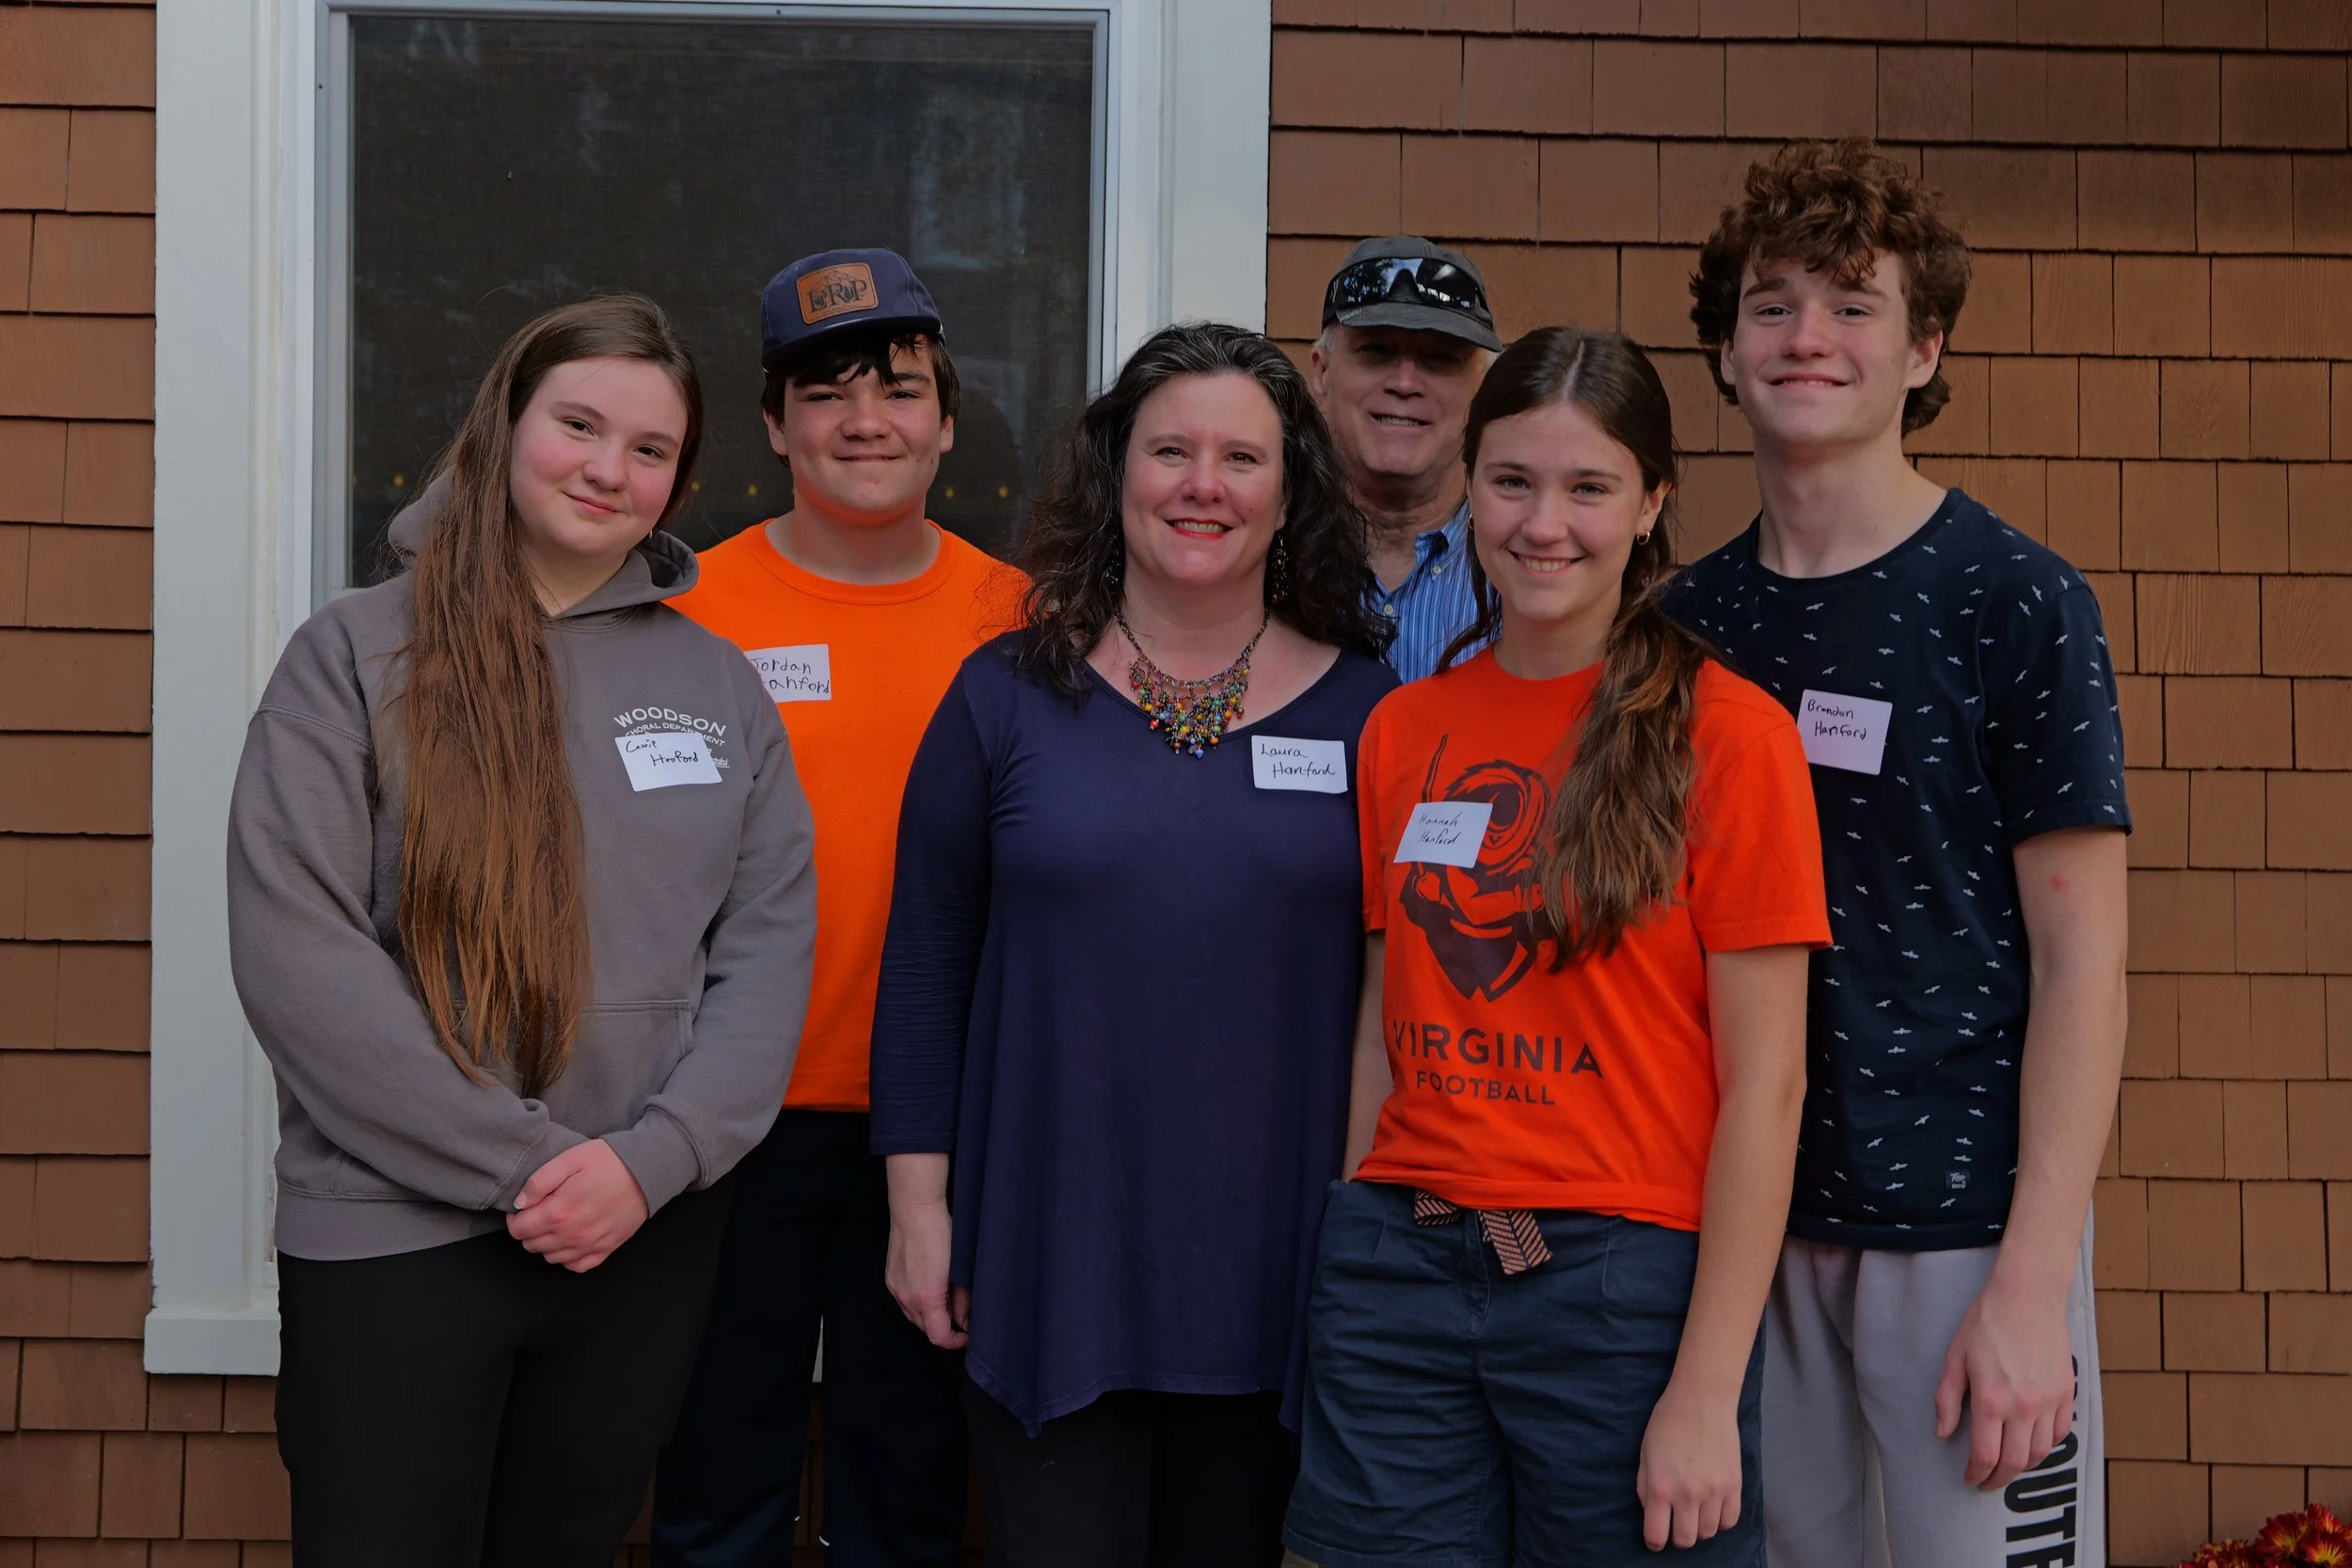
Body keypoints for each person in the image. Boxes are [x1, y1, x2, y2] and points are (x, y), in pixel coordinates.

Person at [227, 294, 818, 1567]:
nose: (610, 468)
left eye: (650, 449)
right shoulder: (353, 655)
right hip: (395, 1228)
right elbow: (301, 954)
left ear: (680, 478)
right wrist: (526, 1168)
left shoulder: (721, 687)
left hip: (636, 1239)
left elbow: (766, 956)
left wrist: (648, 1164)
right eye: (580, 424)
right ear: (505, 423)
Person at [1280, 326, 1829, 1568]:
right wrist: (1352, 1214)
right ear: (1468, 484)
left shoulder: (1731, 737)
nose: (1544, 523)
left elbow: (1769, 1088)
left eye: (1589, 487)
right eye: (1513, 480)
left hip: (1617, 1287)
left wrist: (1703, 1386)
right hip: (1397, 1269)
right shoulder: (1404, 725)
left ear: (1652, 504)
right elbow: (1384, 1013)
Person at [1666, 139, 2130, 1568]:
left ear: (1926, 346)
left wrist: (2033, 1284)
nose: (1809, 335)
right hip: (1747, 1237)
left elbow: (2083, 967)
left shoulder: (2016, 600)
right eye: (1774, 304)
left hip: (1966, 1239)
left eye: (1854, 305)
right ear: (1727, 354)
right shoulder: (1682, 627)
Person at [868, 323, 1397, 1567]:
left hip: (1281, 1262)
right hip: (1054, 1248)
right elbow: (927, 959)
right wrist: (917, 1204)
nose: (1201, 484)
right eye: (1169, 450)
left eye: (1239, 456)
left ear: (1291, 489)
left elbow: (1408, 991)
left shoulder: (1376, 713)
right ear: (1117, 475)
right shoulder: (1000, 697)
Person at [653, 248, 1021, 1567]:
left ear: (947, 420)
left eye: (901, 388)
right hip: (722, 1122)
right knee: (714, 1479)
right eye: (826, 393)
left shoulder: (1020, 623)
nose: (867, 419)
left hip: (936, 1131)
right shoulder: (690, 607)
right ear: (772, 426)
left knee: (909, 1486)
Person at [1308, 236, 1500, 682]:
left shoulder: (1526, 568)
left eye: (1439, 359)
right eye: (1376, 352)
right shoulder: (1261, 558)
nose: (1405, 383)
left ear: (1485, 385)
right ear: (1321, 372)